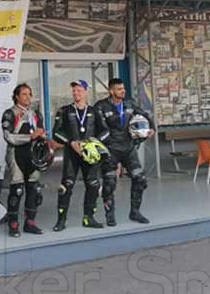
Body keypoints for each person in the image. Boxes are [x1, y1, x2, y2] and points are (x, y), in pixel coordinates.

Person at [95, 78, 155, 226]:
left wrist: (151, 128)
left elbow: (145, 115)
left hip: (128, 148)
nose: (123, 91)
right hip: (110, 150)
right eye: (119, 89)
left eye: (123, 88)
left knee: (140, 179)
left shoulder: (129, 103)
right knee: (109, 183)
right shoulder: (101, 106)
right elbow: (98, 128)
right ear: (111, 91)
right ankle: (110, 215)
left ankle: (135, 212)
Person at [50, 80, 108, 231]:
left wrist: (94, 142)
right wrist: (71, 142)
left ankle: (89, 218)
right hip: (72, 154)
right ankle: (61, 220)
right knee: (66, 186)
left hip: (90, 154)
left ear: (86, 92)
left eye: (79, 90)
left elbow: (106, 131)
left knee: (93, 185)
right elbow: (56, 132)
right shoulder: (64, 110)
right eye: (74, 90)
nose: (76, 93)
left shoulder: (95, 111)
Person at [2, 83, 46, 237]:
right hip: (16, 155)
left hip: (34, 156)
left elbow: (40, 133)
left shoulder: (36, 113)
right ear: (16, 96)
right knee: (17, 190)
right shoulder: (9, 113)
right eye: (24, 94)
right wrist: (30, 137)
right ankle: (13, 224)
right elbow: (8, 137)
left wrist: (43, 138)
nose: (28, 97)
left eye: (29, 94)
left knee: (34, 189)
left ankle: (30, 223)